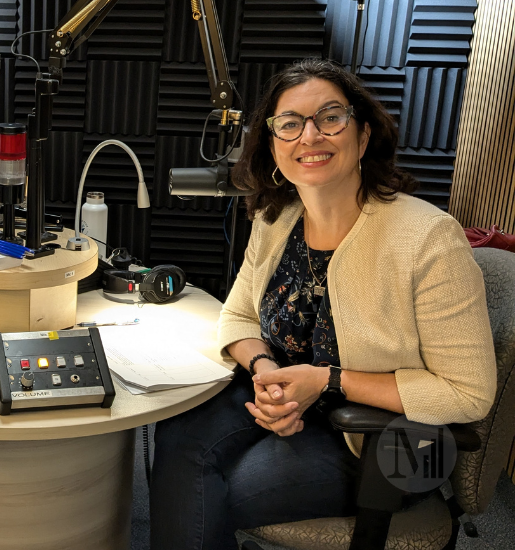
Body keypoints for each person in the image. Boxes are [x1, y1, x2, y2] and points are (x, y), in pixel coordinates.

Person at [149, 58, 496, 550]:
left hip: (375, 439)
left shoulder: (428, 238)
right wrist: (268, 371)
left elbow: (467, 393)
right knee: (178, 440)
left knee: (219, 489)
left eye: (330, 118)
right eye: (289, 124)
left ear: (363, 135)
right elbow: (240, 314)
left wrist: (326, 380)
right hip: (284, 395)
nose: (309, 137)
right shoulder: (278, 219)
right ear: (273, 146)